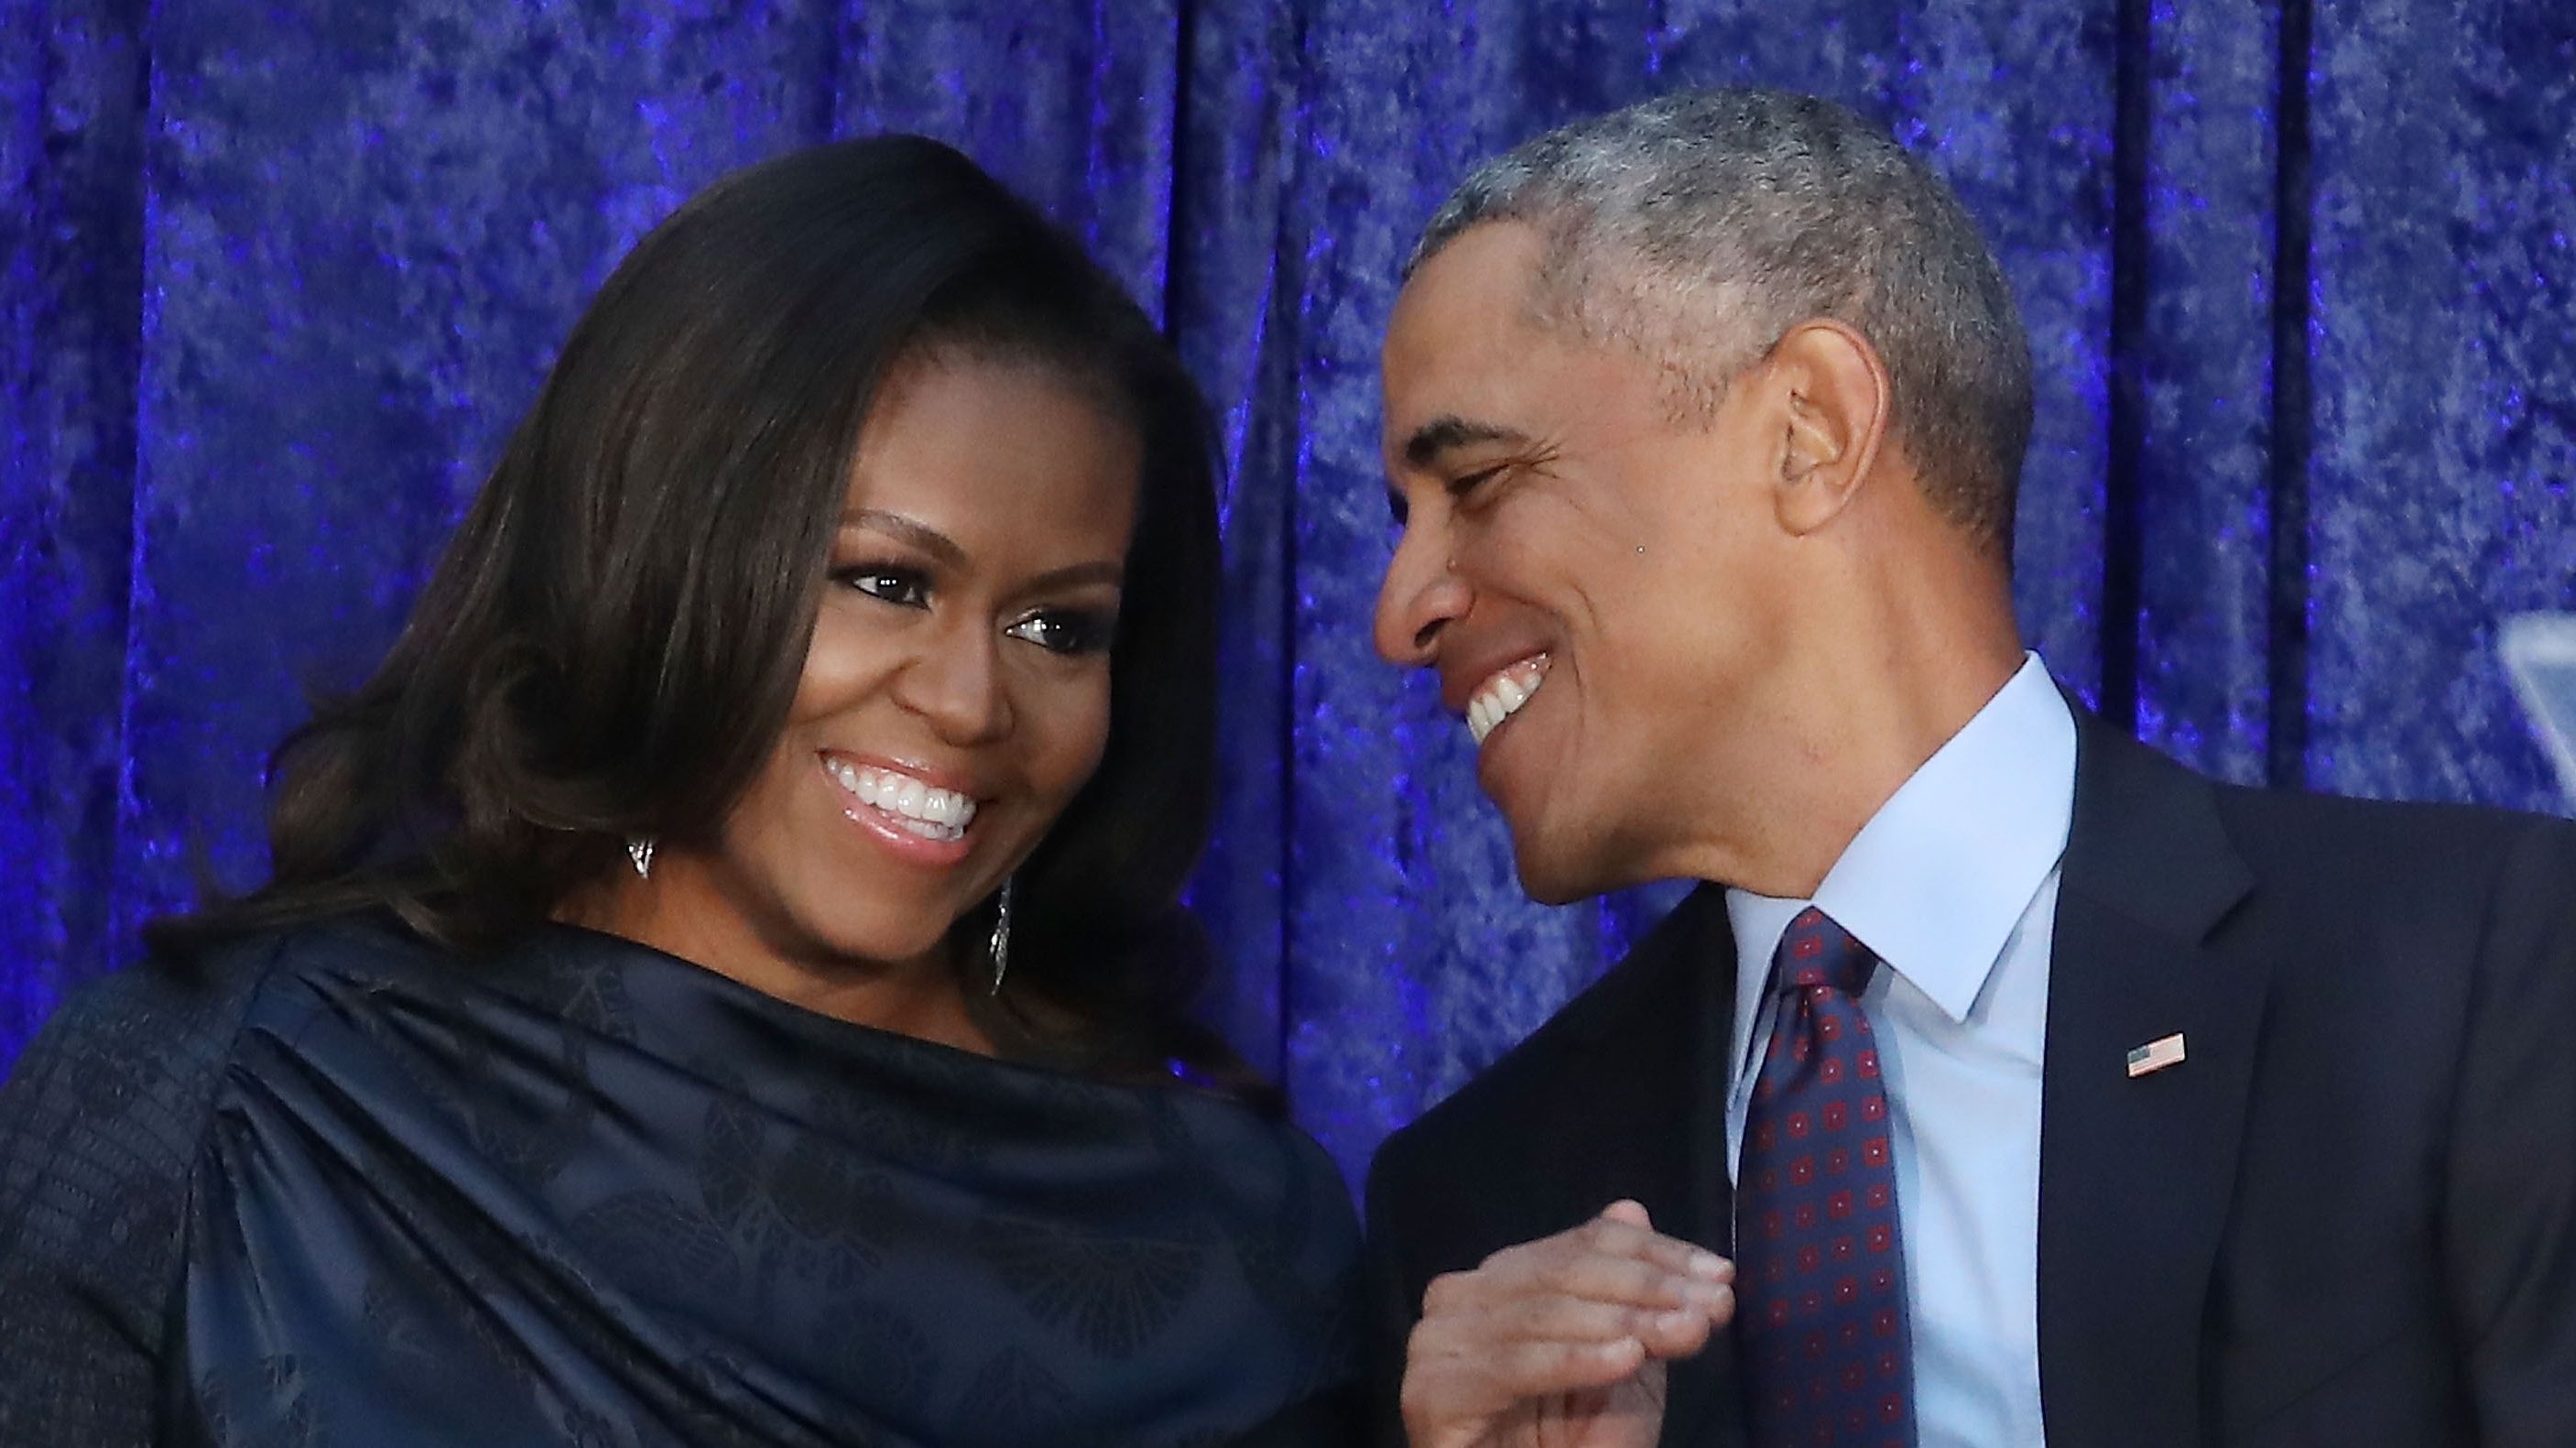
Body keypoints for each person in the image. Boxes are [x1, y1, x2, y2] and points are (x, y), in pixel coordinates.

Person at [0, 136, 1360, 1447]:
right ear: (654, 563)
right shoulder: (219, 1092)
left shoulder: (1225, 1251)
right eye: (886, 581)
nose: (969, 701)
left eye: (1060, 628)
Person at [1363, 86, 2576, 1448]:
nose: (1398, 607)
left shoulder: (2474, 974)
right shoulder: (1479, 1208)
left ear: (1807, 429)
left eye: (1475, 484)